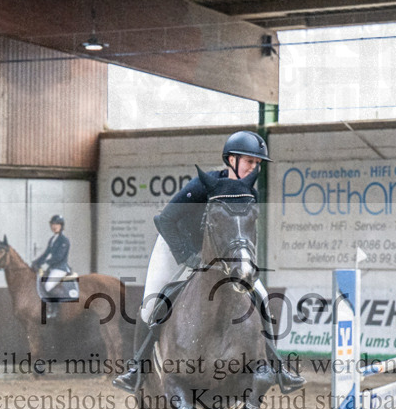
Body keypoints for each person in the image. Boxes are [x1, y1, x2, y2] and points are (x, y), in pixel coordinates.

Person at [113, 130, 305, 394]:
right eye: (249, 161)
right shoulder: (203, 186)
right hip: (175, 247)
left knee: (261, 300)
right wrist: (188, 255)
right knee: (151, 304)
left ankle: (278, 367)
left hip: (220, 258)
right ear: (231, 160)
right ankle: (137, 369)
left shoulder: (248, 193)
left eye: (257, 163)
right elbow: (164, 220)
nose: (254, 167)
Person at [31, 214, 73, 320]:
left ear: (61, 226)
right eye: (53, 224)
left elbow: (59, 257)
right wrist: (36, 262)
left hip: (60, 268)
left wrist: (45, 263)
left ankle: (55, 309)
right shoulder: (52, 239)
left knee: (48, 285)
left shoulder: (64, 240)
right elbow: (46, 254)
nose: (54, 226)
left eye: (57, 224)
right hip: (52, 268)